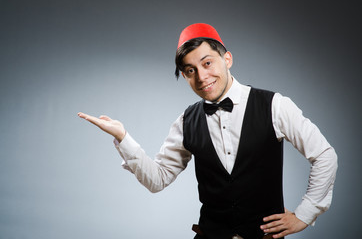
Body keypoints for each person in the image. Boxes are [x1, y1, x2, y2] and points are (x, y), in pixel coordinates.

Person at [78, 23, 337, 239]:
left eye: (207, 63)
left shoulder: (274, 105)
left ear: (227, 59)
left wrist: (305, 214)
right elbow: (158, 179)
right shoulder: (186, 121)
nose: (201, 77)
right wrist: (123, 137)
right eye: (190, 71)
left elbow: (325, 155)